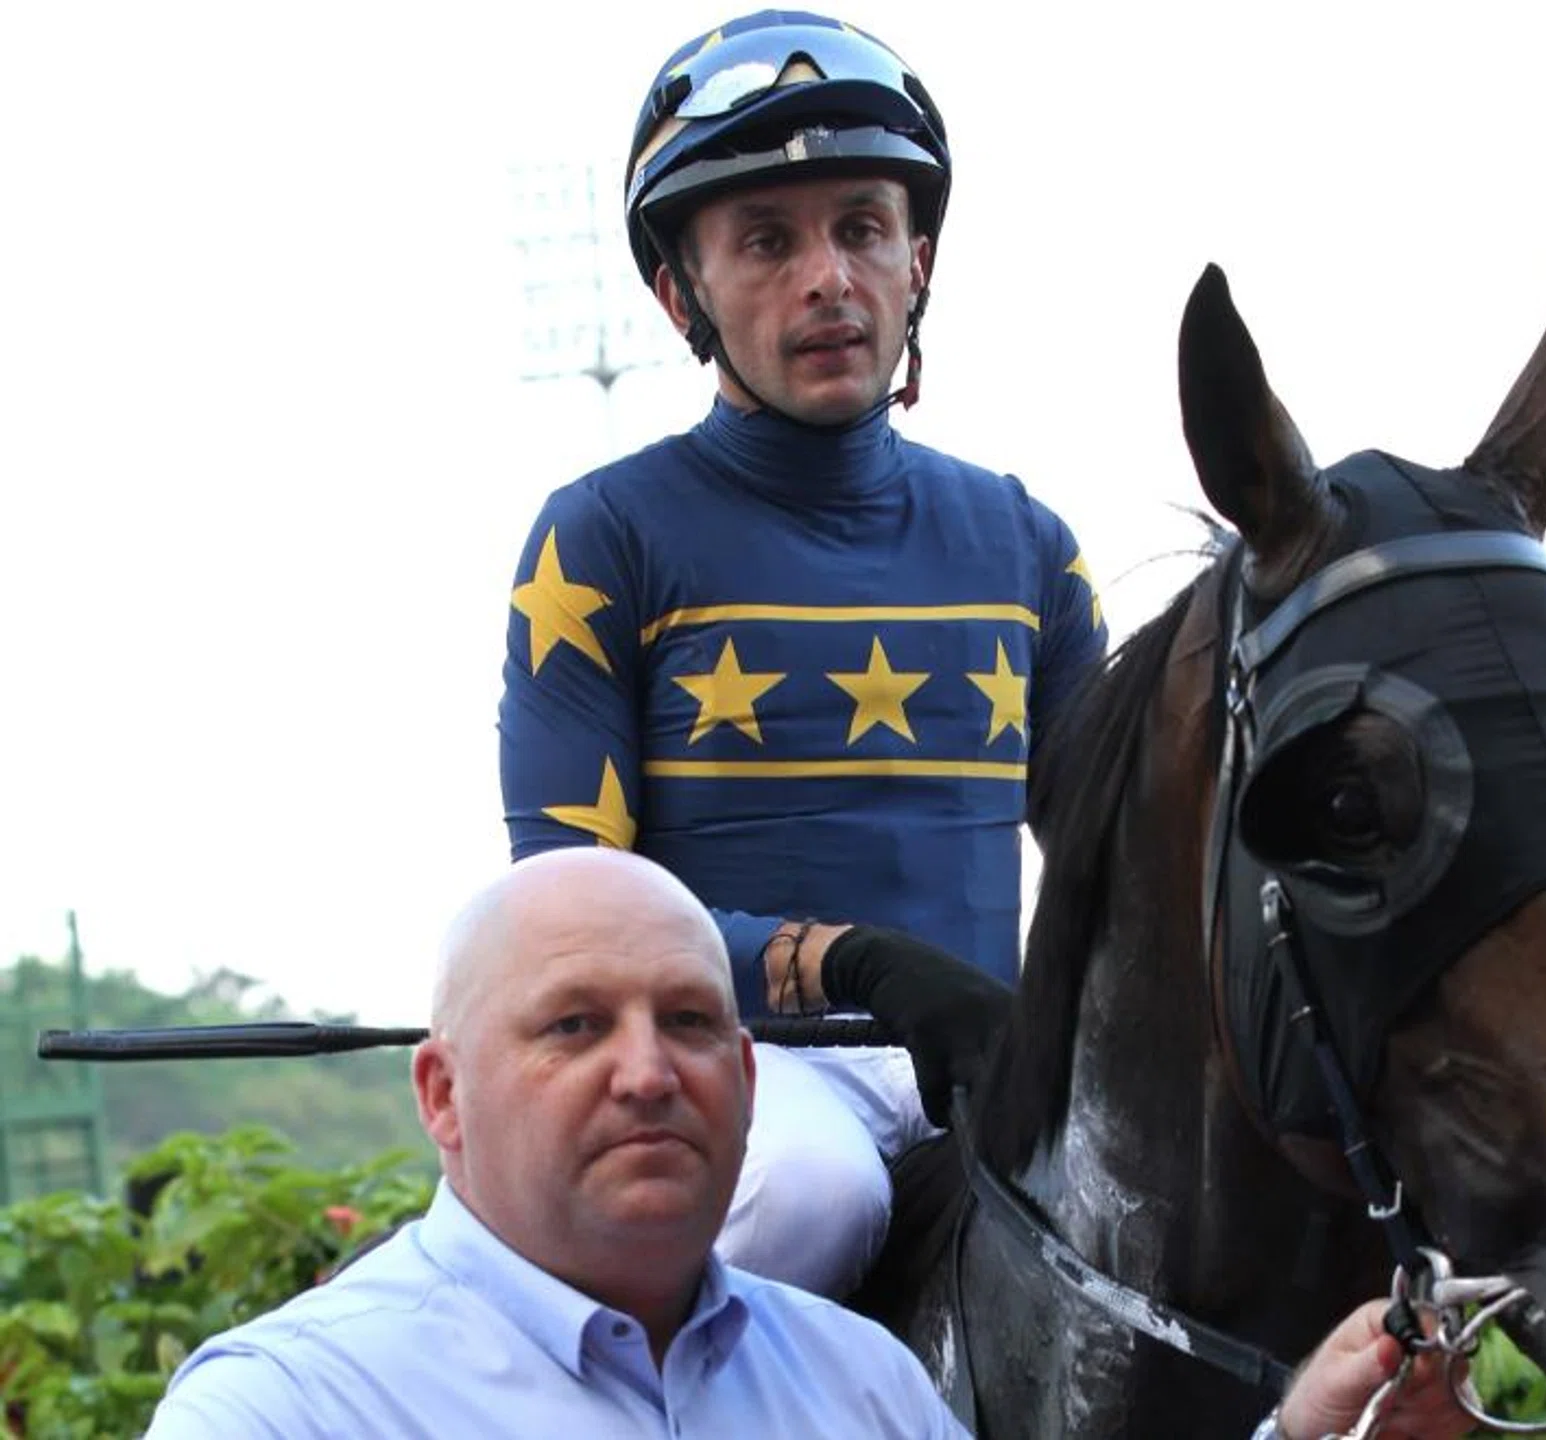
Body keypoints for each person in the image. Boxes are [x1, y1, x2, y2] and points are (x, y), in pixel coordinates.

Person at [497, 10, 1107, 1299]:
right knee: (807, 1196)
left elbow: (1122, 870)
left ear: (918, 261)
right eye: (767, 241)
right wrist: (843, 961)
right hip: (740, 1074)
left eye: (862, 228)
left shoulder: (1030, 547)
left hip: (993, 1062)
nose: (827, 277)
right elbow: (572, 912)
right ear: (684, 294)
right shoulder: (602, 538)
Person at [142, 850, 1474, 1439]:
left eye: (688, 1021)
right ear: (441, 1095)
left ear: (748, 1067)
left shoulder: (862, 1389)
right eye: (571, 1027)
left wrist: (1307, 1435)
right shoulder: (284, 1411)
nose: (647, 1071)